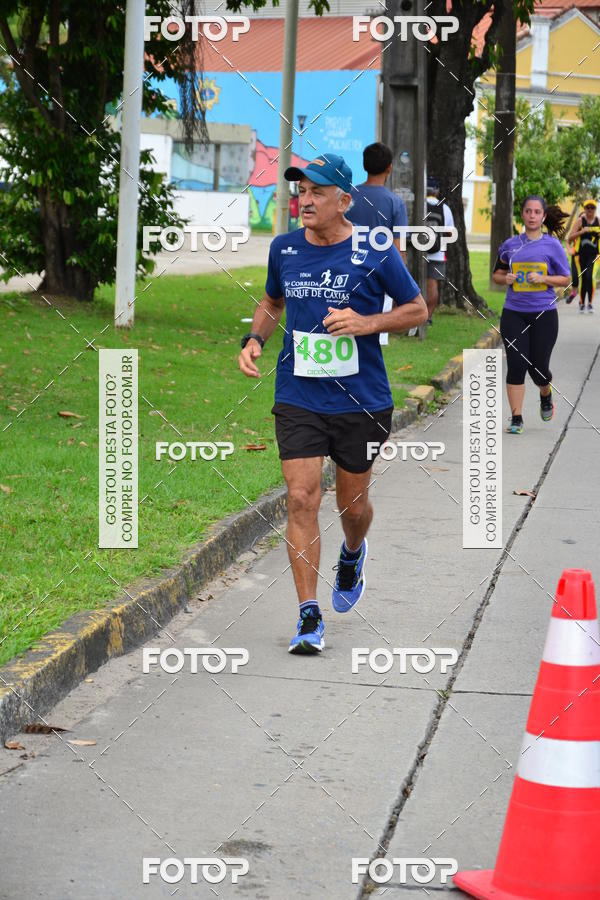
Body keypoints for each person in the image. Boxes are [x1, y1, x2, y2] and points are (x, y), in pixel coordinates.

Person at [238, 154, 427, 654]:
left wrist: (365, 323)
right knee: (302, 497)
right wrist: (253, 339)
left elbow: (417, 309)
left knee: (352, 505)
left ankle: (353, 549)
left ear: (345, 201)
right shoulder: (284, 248)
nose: (305, 200)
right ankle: (307, 614)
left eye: (318, 192)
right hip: (298, 393)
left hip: (359, 398)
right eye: (301, 190)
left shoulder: (375, 249)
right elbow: (273, 300)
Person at [492, 195, 570, 435]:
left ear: (544, 216)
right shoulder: (509, 245)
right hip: (514, 312)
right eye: (528, 211)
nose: (533, 216)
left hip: (544, 314)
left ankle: (545, 393)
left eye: (537, 212)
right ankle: (516, 418)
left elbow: (565, 278)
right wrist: (505, 279)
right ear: (523, 215)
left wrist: (544, 278)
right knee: (516, 364)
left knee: (538, 368)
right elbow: (497, 274)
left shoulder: (552, 246)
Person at [346, 141, 408, 345]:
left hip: (346, 268)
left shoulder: (346, 197)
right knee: (375, 337)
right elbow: (399, 249)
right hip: (379, 272)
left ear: (364, 165)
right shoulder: (395, 203)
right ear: (389, 168)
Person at [424, 177, 454, 326]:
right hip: (437, 253)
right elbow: (450, 233)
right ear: (437, 191)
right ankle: (428, 317)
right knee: (432, 285)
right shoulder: (445, 208)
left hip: (416, 252)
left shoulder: (419, 205)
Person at [567, 198, 600, 313]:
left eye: (592, 207)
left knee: (590, 277)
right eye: (587, 207)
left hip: (594, 255)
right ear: (584, 209)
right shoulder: (580, 221)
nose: (590, 210)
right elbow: (570, 238)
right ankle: (582, 303)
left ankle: (590, 304)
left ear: (595, 209)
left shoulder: (598, 221)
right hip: (580, 256)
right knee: (583, 279)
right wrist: (582, 231)